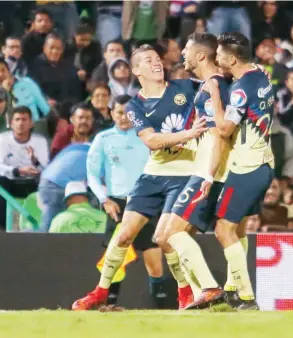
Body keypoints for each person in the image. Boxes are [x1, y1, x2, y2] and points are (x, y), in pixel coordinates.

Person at [71, 44, 207, 311]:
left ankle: (184, 293)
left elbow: (215, 81)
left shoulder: (185, 87)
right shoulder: (135, 105)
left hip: (184, 174)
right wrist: (188, 135)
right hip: (153, 175)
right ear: (136, 70)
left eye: (157, 58)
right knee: (123, 237)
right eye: (148, 60)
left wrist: (246, 72)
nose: (156, 62)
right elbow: (152, 140)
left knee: (165, 240)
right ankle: (100, 292)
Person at [169, 32, 275, 310]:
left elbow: (223, 131)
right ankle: (230, 290)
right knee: (236, 230)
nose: (216, 58)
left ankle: (243, 297)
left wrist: (215, 95)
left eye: (220, 54)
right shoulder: (259, 78)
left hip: (242, 167)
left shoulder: (232, 88)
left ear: (230, 58)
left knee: (221, 230)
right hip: (261, 163)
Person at [74, 94, 167, 310]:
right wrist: (104, 199)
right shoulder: (103, 139)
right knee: (115, 260)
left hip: (146, 201)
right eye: (119, 112)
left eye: (128, 113)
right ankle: (109, 306)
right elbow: (92, 175)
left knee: (154, 261)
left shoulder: (147, 137)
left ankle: (163, 309)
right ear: (111, 113)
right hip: (117, 203)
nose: (124, 117)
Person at [163, 32, 233, 308]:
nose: (182, 54)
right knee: (172, 235)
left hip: (209, 172)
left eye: (187, 49)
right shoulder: (216, 83)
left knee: (174, 234)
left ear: (201, 55)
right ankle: (203, 295)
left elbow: (218, 135)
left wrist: (207, 174)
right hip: (208, 169)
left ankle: (208, 288)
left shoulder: (212, 87)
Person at [0, 106, 49, 231]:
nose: (20, 123)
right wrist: (18, 171)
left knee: (48, 184)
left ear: (31, 123)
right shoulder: (2, 139)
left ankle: (45, 227)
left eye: (24, 119)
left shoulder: (40, 141)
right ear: (11, 123)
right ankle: (1, 229)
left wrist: (35, 161)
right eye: (17, 119)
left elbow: (45, 168)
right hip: (10, 182)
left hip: (32, 182)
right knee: (1, 182)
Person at [38, 143, 90, 232]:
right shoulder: (99, 152)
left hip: (46, 180)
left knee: (51, 225)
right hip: (60, 185)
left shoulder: (77, 146)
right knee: (49, 230)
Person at [0, 57, 50, 123]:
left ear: (9, 71)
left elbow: (45, 108)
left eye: (3, 70)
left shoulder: (27, 82)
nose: (0, 74)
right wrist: (5, 91)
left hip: (33, 127)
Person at [28, 33, 82, 107]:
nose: (55, 51)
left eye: (58, 48)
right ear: (44, 48)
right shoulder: (34, 66)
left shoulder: (68, 66)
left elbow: (75, 90)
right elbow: (33, 89)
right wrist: (46, 99)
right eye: (52, 48)